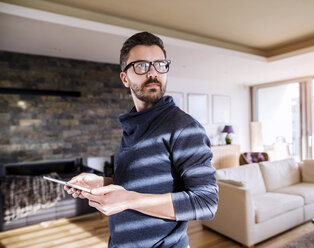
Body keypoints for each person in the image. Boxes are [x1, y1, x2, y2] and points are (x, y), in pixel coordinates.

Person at [65, 31, 218, 248]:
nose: (153, 73)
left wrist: (127, 199)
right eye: (141, 66)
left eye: (159, 64)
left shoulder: (184, 128)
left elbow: (206, 203)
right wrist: (101, 183)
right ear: (125, 78)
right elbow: (139, 185)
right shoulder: (133, 126)